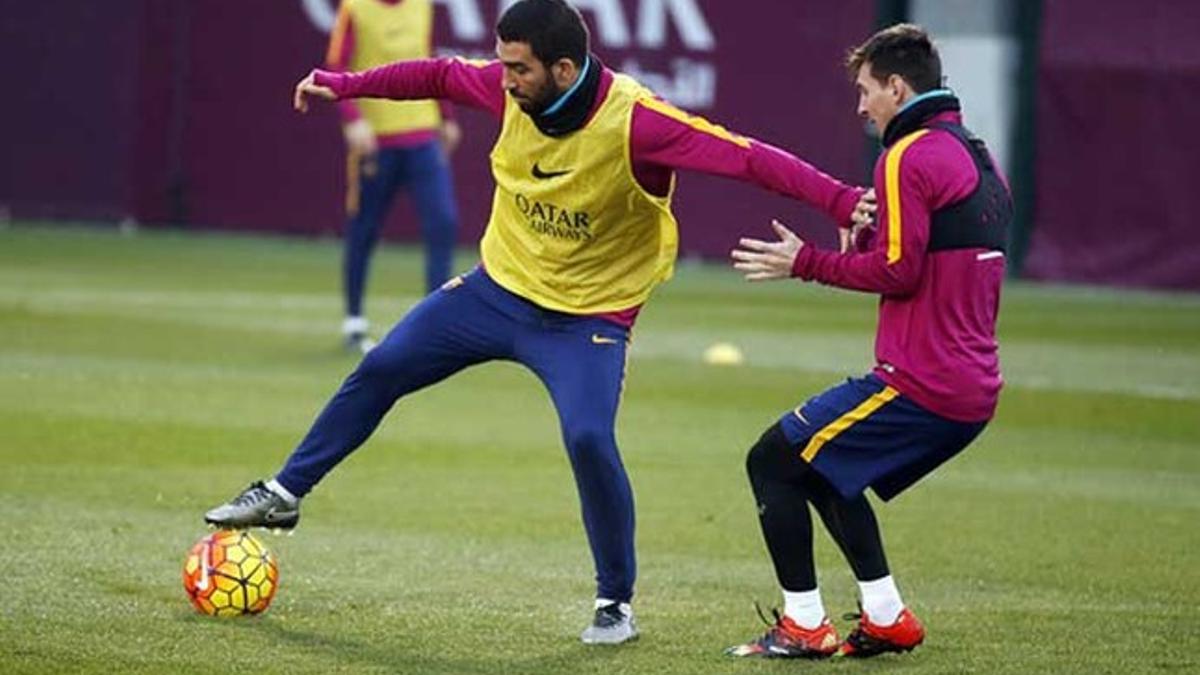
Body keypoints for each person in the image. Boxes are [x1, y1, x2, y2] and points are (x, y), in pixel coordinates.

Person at [205, 0, 864, 644]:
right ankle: (285, 490)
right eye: (502, 65)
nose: (505, 78)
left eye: (518, 68)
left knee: (587, 437)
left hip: (587, 318)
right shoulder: (507, 90)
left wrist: (838, 198)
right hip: (497, 290)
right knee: (382, 366)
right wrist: (345, 83)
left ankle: (615, 603)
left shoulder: (638, 123)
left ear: (564, 67)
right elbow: (434, 75)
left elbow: (748, 156)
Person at [725, 24, 1011, 659]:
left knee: (771, 460)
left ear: (897, 86)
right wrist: (867, 235)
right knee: (826, 471)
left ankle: (804, 626)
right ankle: (886, 618)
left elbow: (900, 271)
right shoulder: (978, 155)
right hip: (970, 386)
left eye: (865, 92)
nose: (860, 108)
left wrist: (807, 262)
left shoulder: (906, 156)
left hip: (923, 385)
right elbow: (929, 254)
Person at [326, 0, 462, 352]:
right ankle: (354, 322)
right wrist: (353, 119)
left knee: (442, 222)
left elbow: (432, 62)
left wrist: (445, 115)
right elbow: (336, 64)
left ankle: (438, 323)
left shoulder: (422, 6)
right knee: (365, 227)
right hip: (375, 139)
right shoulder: (354, 8)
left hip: (422, 133)